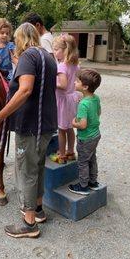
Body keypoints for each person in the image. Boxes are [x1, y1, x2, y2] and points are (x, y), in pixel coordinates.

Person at [0, 22, 57, 238]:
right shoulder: (47, 56)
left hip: (30, 126)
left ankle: (29, 224)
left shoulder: (28, 56)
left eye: (16, 39)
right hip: (46, 124)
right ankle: (38, 210)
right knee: (38, 167)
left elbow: (25, 90)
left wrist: (0, 115)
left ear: (20, 39)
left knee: (26, 171)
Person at [69, 69, 102, 195]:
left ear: (85, 86)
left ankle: (83, 186)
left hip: (85, 138)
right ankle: (93, 182)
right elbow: (99, 112)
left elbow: (82, 125)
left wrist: (73, 123)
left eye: (77, 81)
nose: (74, 83)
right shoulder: (95, 98)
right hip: (95, 135)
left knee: (83, 161)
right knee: (92, 158)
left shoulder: (83, 104)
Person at [51, 34, 80, 164]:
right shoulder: (75, 65)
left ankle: (62, 156)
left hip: (63, 100)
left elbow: (62, 85)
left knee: (61, 129)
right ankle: (70, 152)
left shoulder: (61, 66)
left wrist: (51, 82)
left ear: (65, 50)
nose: (54, 52)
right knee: (70, 128)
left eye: (56, 49)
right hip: (72, 99)